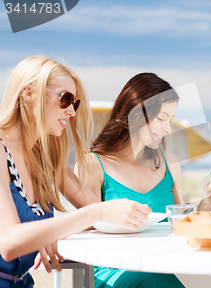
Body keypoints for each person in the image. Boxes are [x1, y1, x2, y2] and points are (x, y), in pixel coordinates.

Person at [0, 56, 152, 288]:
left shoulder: (44, 157)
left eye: (75, 103)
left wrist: (44, 233)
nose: (71, 111)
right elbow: (9, 242)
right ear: (28, 94)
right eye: (65, 99)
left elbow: (100, 217)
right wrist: (44, 233)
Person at [75, 72, 211, 288]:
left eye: (170, 119)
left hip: (163, 267)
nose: (168, 129)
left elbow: (180, 227)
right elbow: (84, 231)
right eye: (161, 118)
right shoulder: (93, 165)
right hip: (112, 271)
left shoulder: (169, 163)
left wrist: (206, 204)